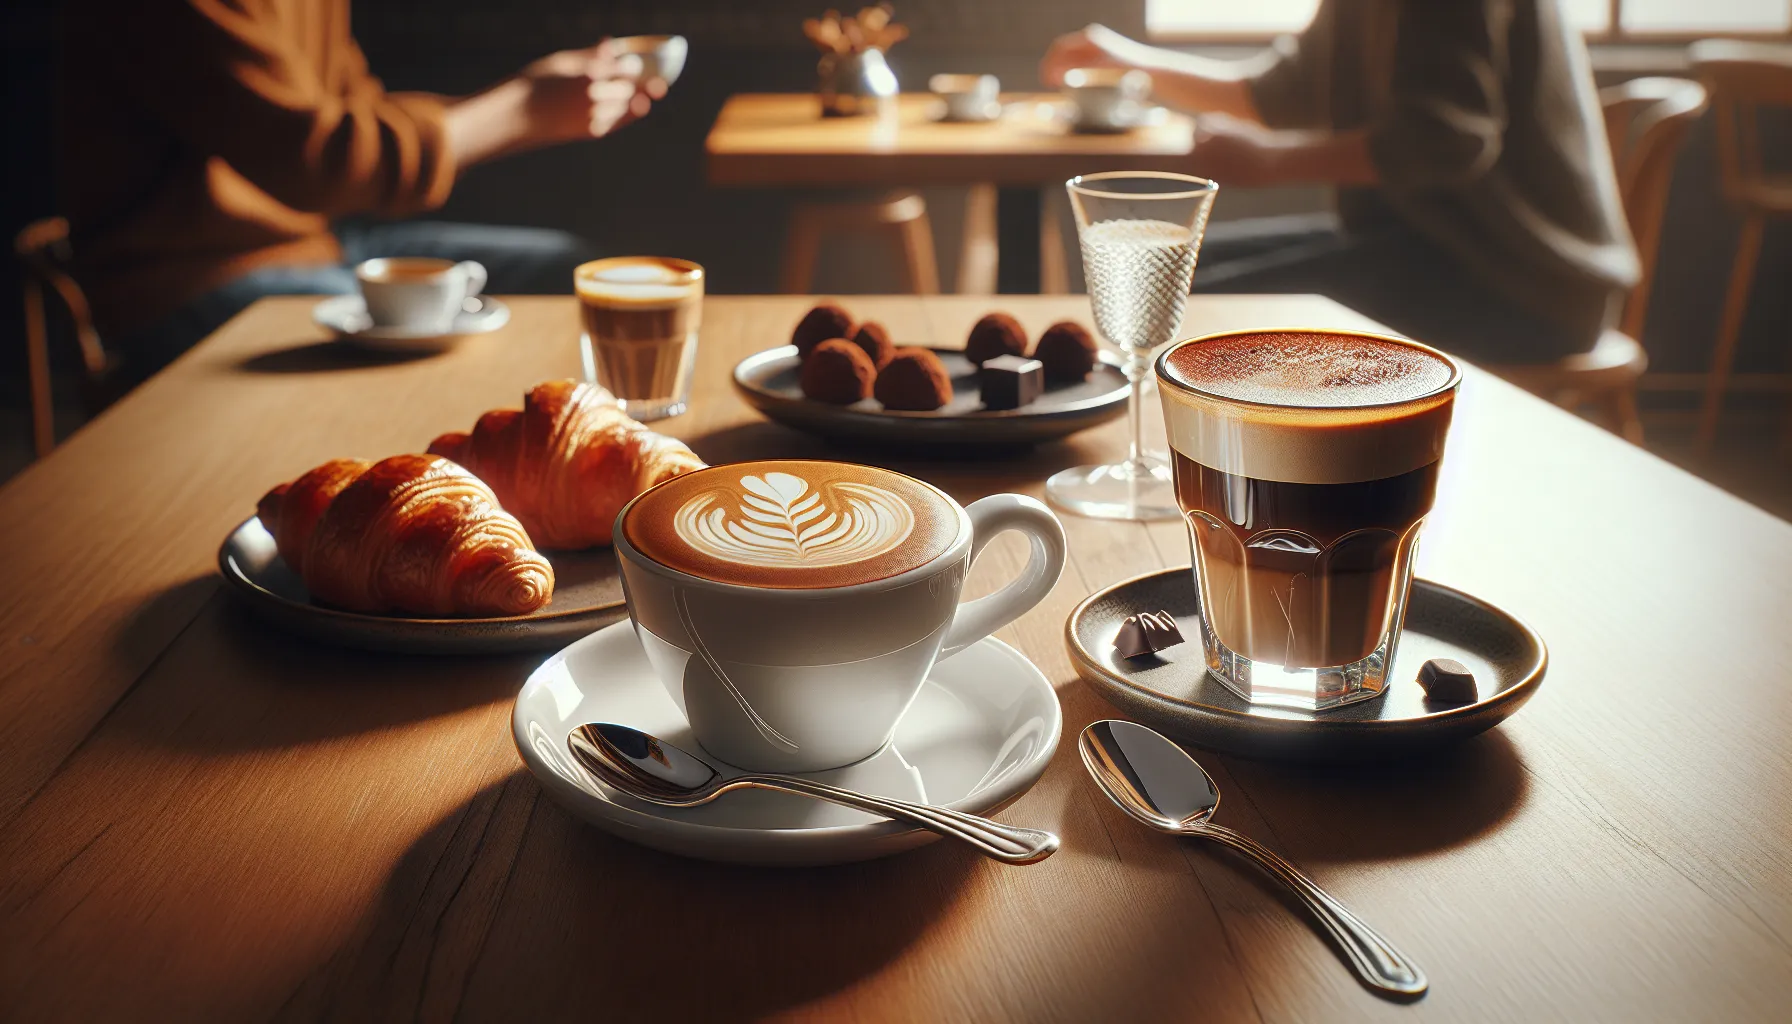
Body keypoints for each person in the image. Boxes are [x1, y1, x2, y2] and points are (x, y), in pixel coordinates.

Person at [57, 0, 668, 384]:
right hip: (185, 276)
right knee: (409, 347)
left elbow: (357, 117)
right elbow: (318, 158)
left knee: (573, 268)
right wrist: (520, 109)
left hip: (318, 239)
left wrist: (528, 106)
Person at [1041, 3, 1640, 365]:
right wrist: (1129, 63)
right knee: (1182, 272)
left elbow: (1447, 140)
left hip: (1518, 281)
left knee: (1197, 306)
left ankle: (1239, 512)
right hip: (1431, 246)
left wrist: (1271, 163)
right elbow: (1280, 91)